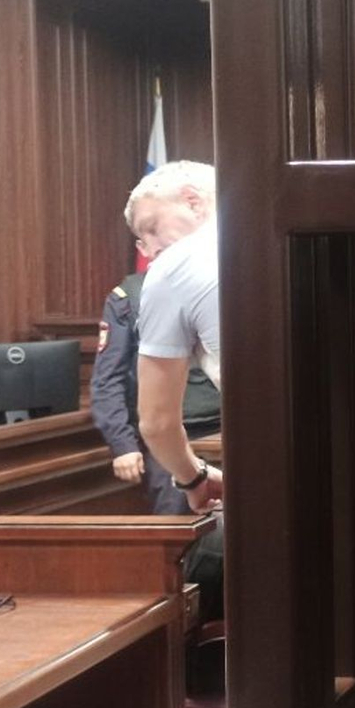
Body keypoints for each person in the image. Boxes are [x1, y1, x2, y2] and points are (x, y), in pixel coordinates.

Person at [124, 160, 224, 626]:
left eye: (151, 227)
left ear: (193, 201)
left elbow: (158, 422)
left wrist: (192, 477)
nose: (149, 250)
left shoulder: (174, 268)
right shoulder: (292, 229)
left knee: (185, 574)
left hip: (289, 481)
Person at [89, 270, 222, 514]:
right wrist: (123, 444)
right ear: (143, 250)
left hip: (226, 433)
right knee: (175, 526)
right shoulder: (130, 295)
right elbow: (108, 379)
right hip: (168, 439)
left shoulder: (218, 279)